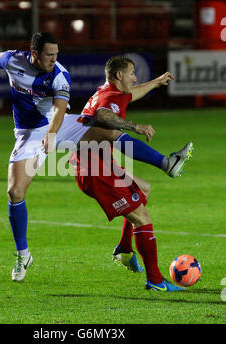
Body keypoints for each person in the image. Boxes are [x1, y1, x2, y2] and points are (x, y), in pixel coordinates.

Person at [0, 36, 191, 283]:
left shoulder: (60, 74)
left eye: (56, 54)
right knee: (15, 192)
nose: (54, 59)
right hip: (29, 135)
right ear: (34, 54)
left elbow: (60, 108)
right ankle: (23, 255)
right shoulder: (13, 60)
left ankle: (165, 163)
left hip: (59, 126)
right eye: (50, 55)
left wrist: (52, 133)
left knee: (109, 131)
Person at [69, 55, 190, 291]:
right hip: (94, 169)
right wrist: (136, 126)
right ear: (118, 75)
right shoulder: (109, 97)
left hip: (98, 162)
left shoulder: (110, 92)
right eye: (132, 73)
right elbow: (104, 115)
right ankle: (155, 281)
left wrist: (156, 82)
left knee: (143, 189)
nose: (135, 78)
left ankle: (124, 249)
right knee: (142, 217)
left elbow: (130, 94)